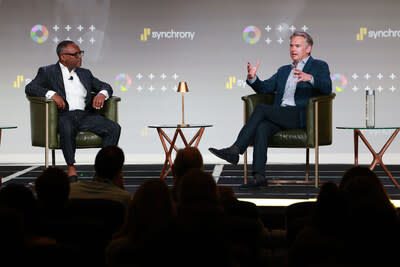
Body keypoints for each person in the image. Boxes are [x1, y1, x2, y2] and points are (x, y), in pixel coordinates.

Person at [209, 31, 332, 189]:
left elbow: (328, 88)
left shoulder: (319, 66)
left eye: (297, 46)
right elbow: (265, 88)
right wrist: (253, 78)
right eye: (291, 45)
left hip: (300, 115)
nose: (293, 49)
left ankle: (235, 149)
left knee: (261, 109)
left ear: (308, 49)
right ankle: (259, 177)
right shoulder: (283, 70)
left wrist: (311, 78)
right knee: (262, 127)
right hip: (281, 114)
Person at [25, 40, 121, 182]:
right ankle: (71, 168)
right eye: (75, 54)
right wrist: (52, 94)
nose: (80, 57)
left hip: (85, 116)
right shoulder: (47, 71)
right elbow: (30, 88)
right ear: (63, 57)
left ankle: (103, 171)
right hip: (64, 115)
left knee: (113, 128)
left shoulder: (85, 73)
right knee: (67, 125)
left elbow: (106, 86)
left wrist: (102, 93)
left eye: (80, 53)